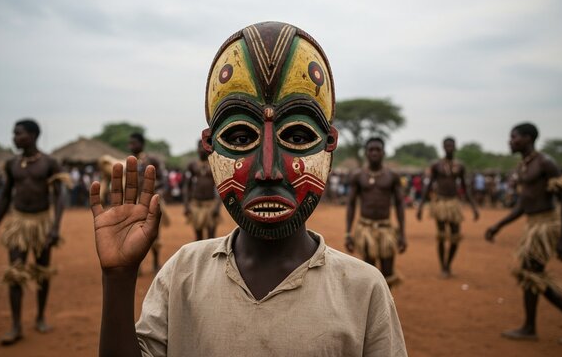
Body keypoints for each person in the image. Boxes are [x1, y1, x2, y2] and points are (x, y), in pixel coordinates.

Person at [90, 21, 406, 356]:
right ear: (210, 146)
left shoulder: (363, 289)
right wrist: (119, 278)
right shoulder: (183, 274)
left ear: (329, 144)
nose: (267, 171)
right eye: (240, 137)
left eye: (298, 136)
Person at [485, 122, 562, 345]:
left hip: (545, 226)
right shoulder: (525, 166)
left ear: (528, 138)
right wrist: (498, 225)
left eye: (514, 137)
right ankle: (532, 326)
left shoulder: (545, 163)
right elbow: (523, 205)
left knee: (532, 275)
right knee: (530, 275)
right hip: (532, 225)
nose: (510, 141)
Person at [0, 119, 69, 345]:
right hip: (19, 223)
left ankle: (40, 316)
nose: (14, 137)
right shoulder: (12, 164)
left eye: (18, 134)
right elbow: (4, 197)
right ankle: (16, 325)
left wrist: (55, 227)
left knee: (42, 272)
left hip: (41, 223)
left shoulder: (49, 163)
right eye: (14, 133)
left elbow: (59, 196)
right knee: (15, 273)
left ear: (32, 136)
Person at [345, 137, 406, 288]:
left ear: (383, 152)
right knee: (369, 271)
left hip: (386, 229)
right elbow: (351, 204)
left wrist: (402, 234)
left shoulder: (392, 176)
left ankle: (386, 306)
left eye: (377, 150)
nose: (374, 153)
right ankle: (372, 308)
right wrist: (348, 233)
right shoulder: (358, 176)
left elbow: (399, 204)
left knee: (387, 271)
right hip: (365, 228)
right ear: (366, 153)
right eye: (371, 150)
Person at [417, 137, 479, 277]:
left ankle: (448, 264)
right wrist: (421, 206)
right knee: (441, 236)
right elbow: (428, 186)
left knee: (455, 236)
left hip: (454, 204)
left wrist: (474, 207)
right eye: (447, 146)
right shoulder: (436, 165)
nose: (449, 148)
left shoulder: (460, 166)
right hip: (440, 203)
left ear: (455, 147)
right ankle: (443, 267)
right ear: (443, 147)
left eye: (451, 145)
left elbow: (465, 187)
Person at [128, 132, 169, 272]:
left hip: (152, 201)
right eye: (130, 143)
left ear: (142, 144)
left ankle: (156, 264)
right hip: (136, 203)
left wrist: (160, 190)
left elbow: (164, 178)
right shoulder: (130, 161)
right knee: (135, 233)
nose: (131, 146)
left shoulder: (151, 159)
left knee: (154, 233)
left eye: (134, 143)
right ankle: (137, 266)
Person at [184, 140, 222, 240]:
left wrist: (217, 206)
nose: (201, 149)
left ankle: (211, 256)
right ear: (197, 149)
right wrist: (186, 205)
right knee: (198, 237)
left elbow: (220, 186)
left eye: (203, 146)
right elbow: (187, 186)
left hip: (211, 204)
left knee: (211, 236)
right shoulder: (192, 165)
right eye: (199, 146)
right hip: (196, 204)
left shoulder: (215, 163)